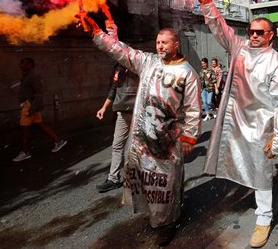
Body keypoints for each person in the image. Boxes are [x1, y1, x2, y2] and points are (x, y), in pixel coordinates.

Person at [78, 16, 201, 246]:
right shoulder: (148, 62)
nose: (160, 46)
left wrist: (190, 136)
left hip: (167, 141)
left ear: (176, 45)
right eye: (158, 42)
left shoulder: (188, 73)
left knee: (166, 182)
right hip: (141, 138)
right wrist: (96, 33)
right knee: (146, 178)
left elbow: (193, 109)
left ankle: (168, 223)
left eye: (165, 42)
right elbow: (120, 51)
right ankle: (157, 215)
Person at [197, 0, 278, 248]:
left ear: (270, 36)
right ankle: (258, 211)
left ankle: (264, 220)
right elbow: (220, 28)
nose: (253, 35)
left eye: (259, 32)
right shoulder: (239, 49)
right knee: (235, 166)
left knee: (262, 176)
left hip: (262, 129)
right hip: (236, 124)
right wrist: (206, 1)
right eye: (251, 31)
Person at [94, 29, 140, 192]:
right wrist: (104, 108)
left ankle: (141, 176)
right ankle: (113, 178)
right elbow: (113, 89)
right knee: (117, 144)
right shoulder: (117, 69)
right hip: (122, 112)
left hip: (137, 112)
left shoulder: (137, 65)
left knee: (139, 146)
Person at [12, 58, 67, 162]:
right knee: (40, 124)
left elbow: (39, 94)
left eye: (23, 63)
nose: (20, 65)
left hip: (29, 105)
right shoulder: (27, 75)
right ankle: (58, 141)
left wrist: (32, 108)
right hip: (30, 104)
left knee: (25, 129)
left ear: (30, 65)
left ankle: (25, 152)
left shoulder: (32, 76)